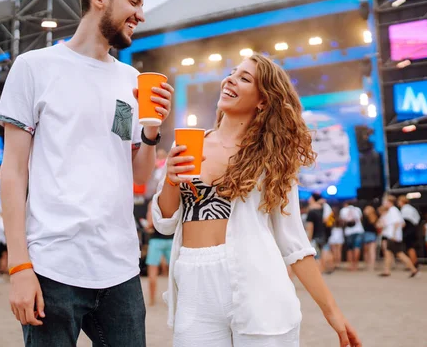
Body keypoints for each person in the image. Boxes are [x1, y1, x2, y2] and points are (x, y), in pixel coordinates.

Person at [0, 0, 173, 347]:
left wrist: (151, 130)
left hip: (121, 268)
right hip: (53, 265)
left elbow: (139, 176)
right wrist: (19, 266)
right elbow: (13, 172)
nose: (140, 15)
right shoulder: (34, 68)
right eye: (134, 2)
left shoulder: (130, 79)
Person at [152, 54, 361, 347]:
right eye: (232, 73)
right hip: (193, 284)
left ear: (263, 100)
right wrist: (172, 180)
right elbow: (164, 222)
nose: (230, 80)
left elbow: (294, 243)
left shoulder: (272, 159)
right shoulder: (185, 144)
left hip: (258, 286)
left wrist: (332, 312)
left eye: (244, 78)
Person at [378, 195, 418, 278]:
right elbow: (402, 224)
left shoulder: (393, 210)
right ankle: (387, 271)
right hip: (393, 236)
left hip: (393, 237)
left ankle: (413, 269)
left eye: (385, 202)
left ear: (389, 202)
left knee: (399, 254)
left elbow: (397, 223)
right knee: (388, 253)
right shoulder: (394, 211)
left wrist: (394, 234)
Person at [145, 200, 173, 306]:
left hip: (156, 240)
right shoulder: (172, 201)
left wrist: (147, 226)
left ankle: (152, 300)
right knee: (175, 272)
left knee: (152, 272)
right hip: (171, 240)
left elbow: (150, 223)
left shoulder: (152, 203)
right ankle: (178, 299)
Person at [306, 192, 334, 273]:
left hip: (315, 236)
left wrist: (309, 238)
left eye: (310, 198)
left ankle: (320, 270)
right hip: (324, 235)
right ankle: (327, 268)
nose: (309, 200)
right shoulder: (325, 209)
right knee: (325, 251)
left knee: (317, 256)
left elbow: (310, 226)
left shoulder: (312, 211)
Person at [340, 201, 364, 271]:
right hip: (359, 230)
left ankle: (350, 265)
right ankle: (355, 265)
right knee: (357, 247)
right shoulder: (358, 209)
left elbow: (342, 221)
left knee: (349, 249)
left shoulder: (343, 210)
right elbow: (361, 219)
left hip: (349, 231)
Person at [398, 195, 421, 267]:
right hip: (413, 229)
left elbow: (404, 222)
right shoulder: (412, 208)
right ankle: (414, 262)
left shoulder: (405, 209)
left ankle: (414, 264)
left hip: (409, 230)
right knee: (411, 247)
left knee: (410, 247)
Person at [362, 205, 378, 271]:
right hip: (373, 235)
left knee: (367, 251)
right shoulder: (375, 217)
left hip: (367, 234)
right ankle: (372, 265)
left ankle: (368, 264)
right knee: (372, 251)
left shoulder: (365, 218)